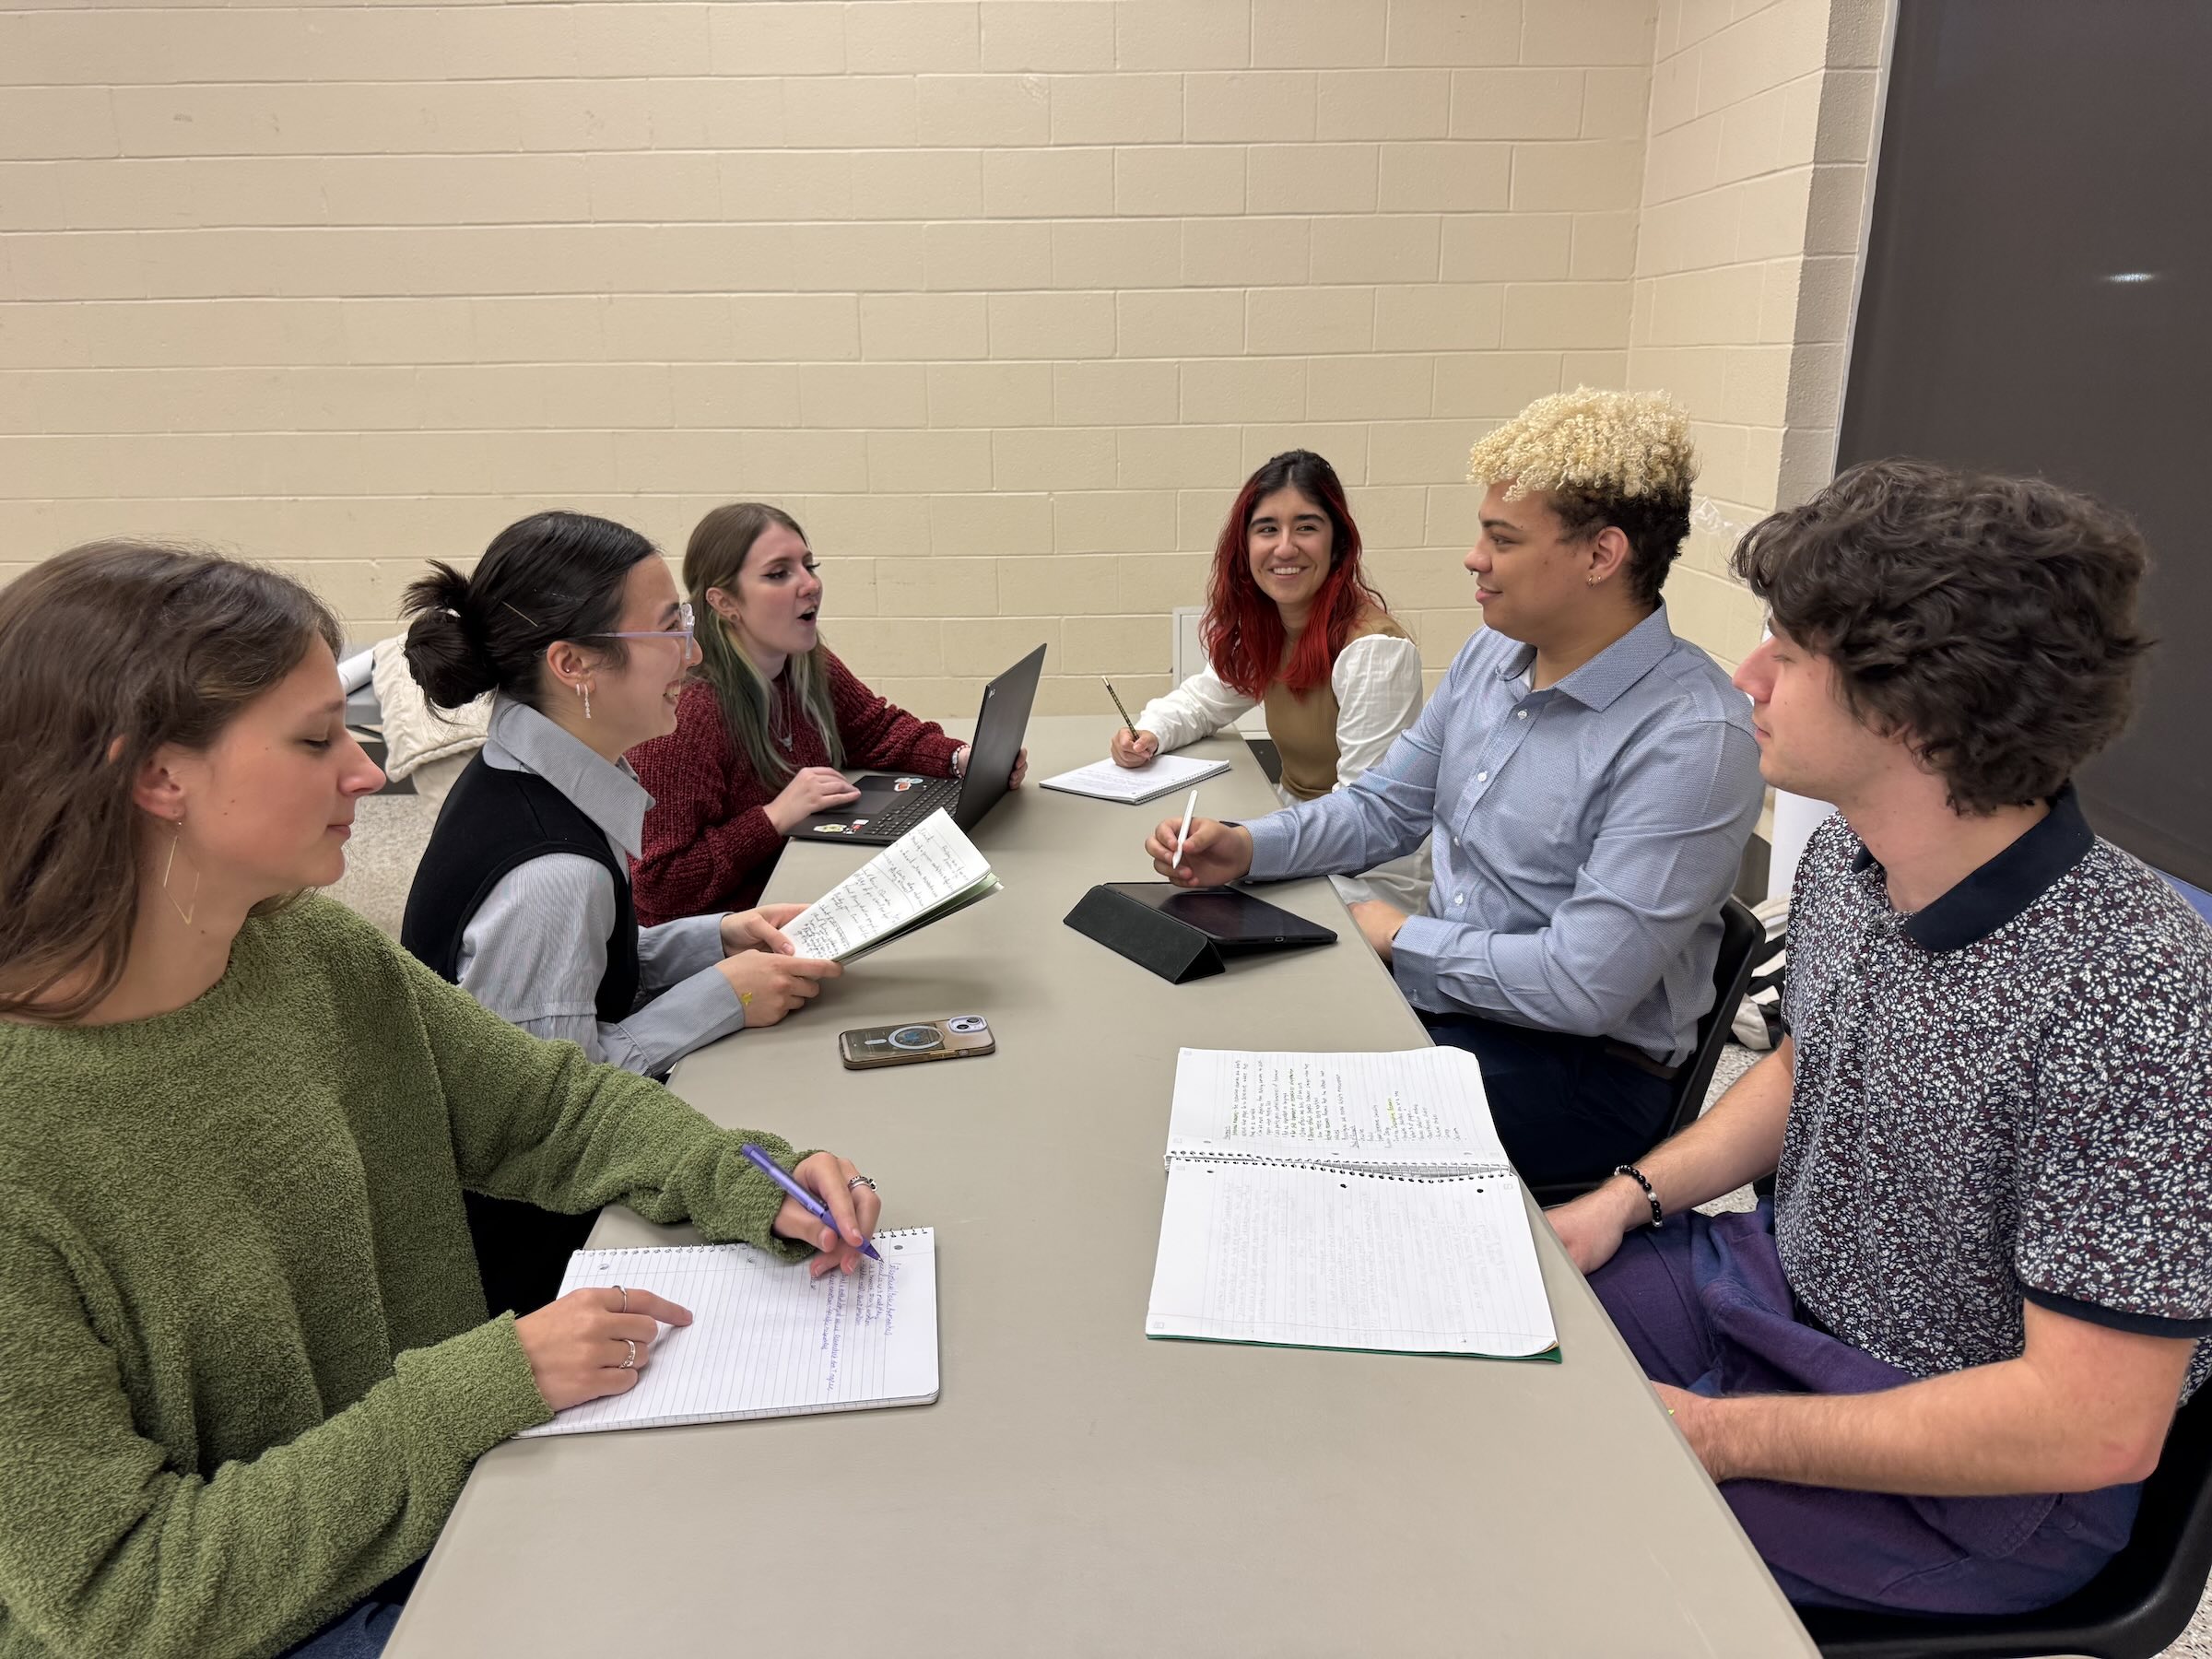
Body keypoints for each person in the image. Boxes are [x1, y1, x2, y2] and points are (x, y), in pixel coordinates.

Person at [0, 542, 882, 1659]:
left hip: (440, 1512)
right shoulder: (26, 1141)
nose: (366, 775)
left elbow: (551, 1110)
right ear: (157, 777)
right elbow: (124, 1600)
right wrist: (489, 1384)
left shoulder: (311, 954)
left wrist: (746, 1178)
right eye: (319, 741)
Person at [1547, 460, 2212, 1616]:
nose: (1746, 678)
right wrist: (1626, 1198)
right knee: (1484, 1349)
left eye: (1789, 657)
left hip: (1969, 1472)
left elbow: (2091, 1425)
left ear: (1916, 710)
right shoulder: (1855, 863)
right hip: (1772, 1292)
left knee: (1547, 1530)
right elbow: (1817, 1064)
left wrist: (1722, 1434)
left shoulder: (2136, 997)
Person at [1148, 389, 1762, 1186]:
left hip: (1582, 1073)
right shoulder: (1492, 656)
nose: (1473, 557)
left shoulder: (1691, 739)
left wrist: (1399, 937)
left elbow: (1582, 987)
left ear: (1600, 556)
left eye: (1501, 539)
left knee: (1268, 1147)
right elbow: (1384, 807)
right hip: (1463, 1004)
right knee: (1229, 1056)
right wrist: (1246, 848)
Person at [400, 511, 849, 1317]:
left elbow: (580, 976)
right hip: (541, 1262)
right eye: (670, 628)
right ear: (574, 665)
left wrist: (713, 937)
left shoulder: (531, 782)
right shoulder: (550, 874)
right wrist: (724, 996)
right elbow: (551, 1118)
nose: (695, 652)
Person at [630, 502, 1027, 926]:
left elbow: (873, 730)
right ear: (725, 601)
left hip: (800, 890)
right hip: (731, 938)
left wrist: (960, 758)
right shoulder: (689, 715)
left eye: (808, 565)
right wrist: (773, 818)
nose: (810, 584)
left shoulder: (805, 662)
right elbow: (658, 886)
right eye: (778, 573)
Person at [1111, 449, 1430, 912]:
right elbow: (1204, 701)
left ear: (1337, 543)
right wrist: (1149, 734)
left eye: (1306, 526)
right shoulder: (1273, 626)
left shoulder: (1374, 650)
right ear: (1246, 546)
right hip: (1303, 828)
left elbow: (1366, 818)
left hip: (1368, 871)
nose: (1284, 547)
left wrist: (1247, 847)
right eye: (1267, 529)